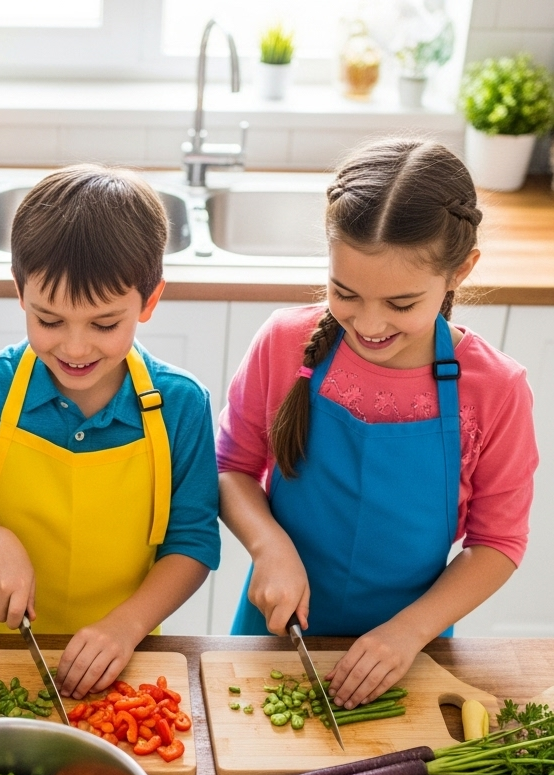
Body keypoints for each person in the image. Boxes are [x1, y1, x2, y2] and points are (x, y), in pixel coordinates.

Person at [217, 138, 537, 709]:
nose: (368, 323)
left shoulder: (496, 389)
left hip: (411, 650)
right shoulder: (284, 343)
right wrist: (269, 547)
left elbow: (498, 542)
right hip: (275, 637)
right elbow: (231, 468)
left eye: (400, 304)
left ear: (460, 270)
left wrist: (409, 632)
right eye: (345, 293)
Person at [0, 164, 221, 699]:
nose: (75, 348)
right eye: (49, 321)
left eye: (104, 324)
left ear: (149, 301)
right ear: (20, 292)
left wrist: (126, 625)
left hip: (127, 657)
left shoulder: (180, 404)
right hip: (0, 658)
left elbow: (192, 543)